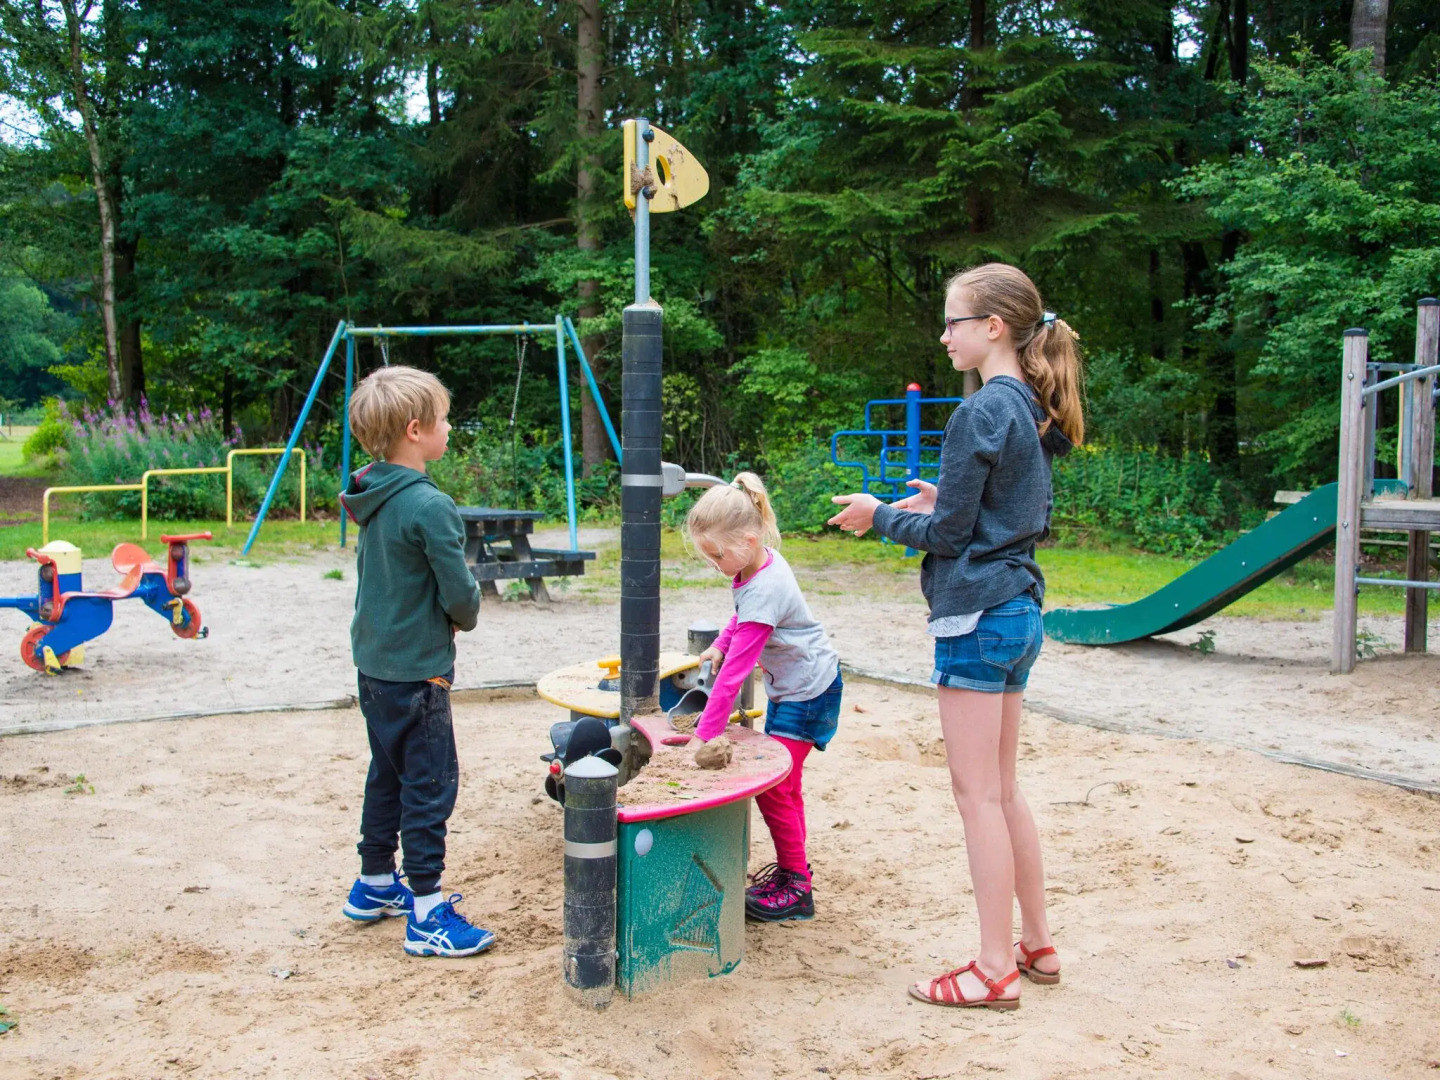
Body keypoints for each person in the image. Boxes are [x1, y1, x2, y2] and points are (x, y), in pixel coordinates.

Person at [828, 263, 1083, 1009]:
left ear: (993, 327)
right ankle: (1037, 945)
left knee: (977, 798)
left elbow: (947, 537)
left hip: (977, 617)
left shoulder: (979, 410)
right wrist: (946, 502)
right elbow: (1014, 511)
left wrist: (879, 515)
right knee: (1003, 790)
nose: (944, 336)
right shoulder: (1029, 405)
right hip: (1019, 612)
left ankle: (993, 968)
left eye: (953, 322)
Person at [337, 365, 493, 958]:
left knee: (388, 772)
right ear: (415, 430)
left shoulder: (371, 492)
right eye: (444, 420)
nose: (449, 428)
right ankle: (427, 912)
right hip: (418, 674)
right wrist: (461, 614)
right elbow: (462, 598)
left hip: (374, 667)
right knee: (429, 786)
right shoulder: (429, 505)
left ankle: (376, 881)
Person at [685, 473, 842, 923]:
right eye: (708, 556)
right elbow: (744, 615)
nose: (715, 564)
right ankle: (795, 872)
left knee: (774, 787)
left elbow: (734, 677)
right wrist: (719, 643)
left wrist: (704, 734)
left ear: (749, 540)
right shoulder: (755, 564)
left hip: (808, 694)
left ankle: (797, 889)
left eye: (718, 554)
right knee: (784, 786)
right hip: (796, 688)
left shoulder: (765, 584)